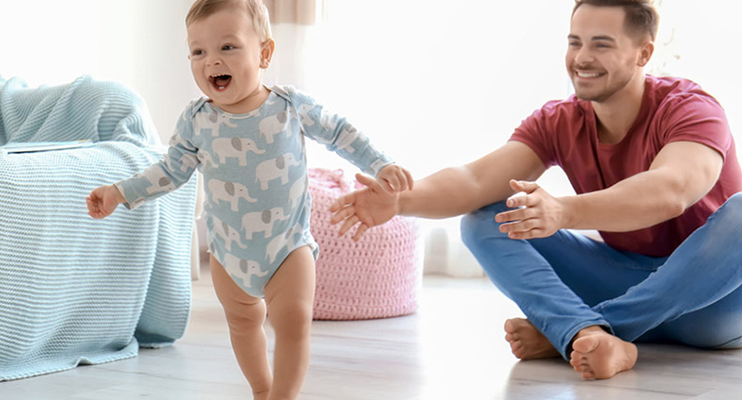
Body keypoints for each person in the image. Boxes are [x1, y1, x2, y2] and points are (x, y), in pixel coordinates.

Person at [330, 0, 742, 381]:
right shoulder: (559, 120)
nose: (582, 58)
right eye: (575, 42)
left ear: (643, 54)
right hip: (625, 279)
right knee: (487, 217)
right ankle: (585, 332)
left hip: (712, 303)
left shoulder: (690, 108)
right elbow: (475, 180)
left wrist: (564, 211)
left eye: (601, 44)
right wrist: (401, 200)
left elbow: (671, 190)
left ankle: (578, 330)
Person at [86, 0, 413, 398]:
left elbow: (340, 132)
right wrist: (120, 192)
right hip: (229, 253)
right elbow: (170, 170)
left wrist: (380, 163)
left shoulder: (289, 106)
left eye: (228, 47)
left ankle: (282, 396)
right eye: (198, 51)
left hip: (287, 245)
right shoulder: (196, 120)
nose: (212, 61)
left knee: (293, 320)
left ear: (264, 53)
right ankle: (262, 389)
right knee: (242, 324)